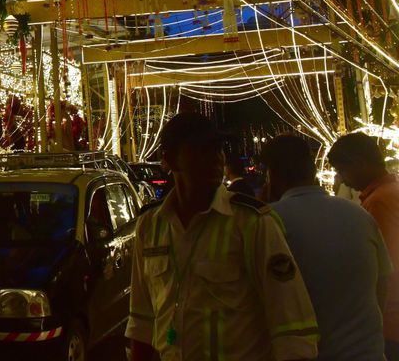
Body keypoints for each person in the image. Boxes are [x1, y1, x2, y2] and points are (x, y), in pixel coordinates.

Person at [126, 111, 319, 361]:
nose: (217, 158)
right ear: (170, 160)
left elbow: (292, 327)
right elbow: (141, 321)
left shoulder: (253, 222)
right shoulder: (150, 225)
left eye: (218, 148)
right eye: (202, 150)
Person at [265, 135, 390, 361]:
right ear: (312, 171)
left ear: (271, 174)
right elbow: (382, 282)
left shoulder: (269, 221)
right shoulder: (359, 214)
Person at [328, 133, 399, 359]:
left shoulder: (378, 202)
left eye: (342, 170)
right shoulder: (390, 193)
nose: (343, 180)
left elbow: (385, 268)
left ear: (359, 163)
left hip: (390, 321)